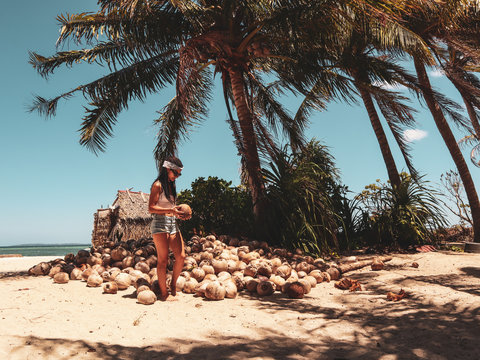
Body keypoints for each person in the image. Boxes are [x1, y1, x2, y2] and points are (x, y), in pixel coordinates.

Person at [148, 156, 190, 301]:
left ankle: (172, 284)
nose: (177, 176)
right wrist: (171, 211)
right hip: (160, 224)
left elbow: (170, 206)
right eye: (175, 173)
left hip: (172, 222)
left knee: (181, 256)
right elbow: (151, 208)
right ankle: (164, 294)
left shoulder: (171, 185)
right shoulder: (157, 185)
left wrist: (178, 212)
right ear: (167, 169)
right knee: (163, 260)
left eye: (179, 174)